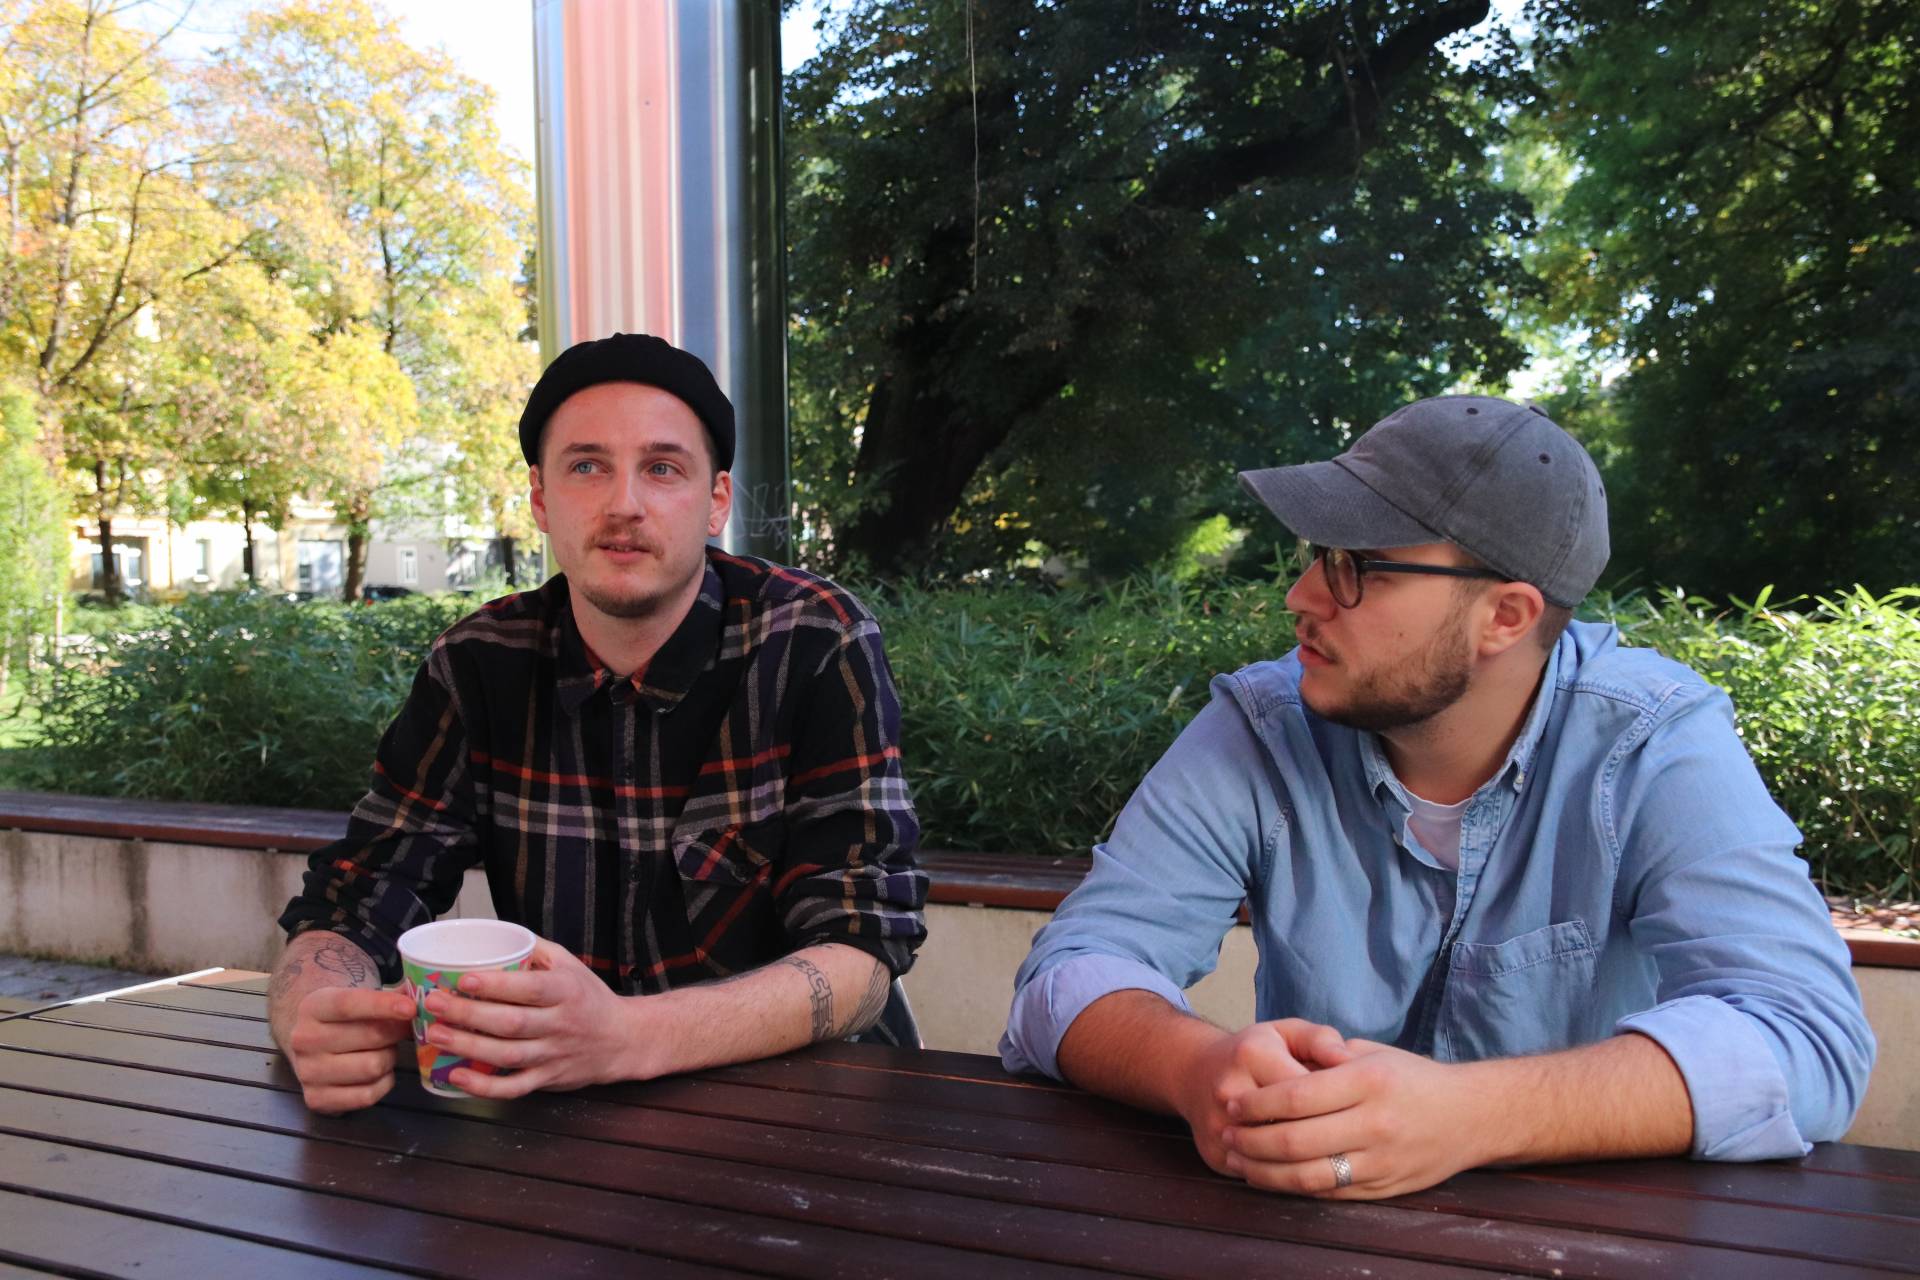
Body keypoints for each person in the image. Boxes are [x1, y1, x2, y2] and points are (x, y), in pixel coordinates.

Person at [1001, 395, 1874, 1199]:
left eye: (1360, 568)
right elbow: (1071, 972)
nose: (1301, 597)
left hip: (1588, 1241)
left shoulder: (1650, 742)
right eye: (1316, 557)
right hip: (1301, 1236)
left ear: (1506, 616)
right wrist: (1199, 1072)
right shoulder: (1264, 725)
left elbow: (1806, 1038)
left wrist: (1468, 1114)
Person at [272, 333, 927, 1114]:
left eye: (662, 468)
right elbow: (356, 899)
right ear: (541, 499)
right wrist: (311, 1014)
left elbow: (863, 951)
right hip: (556, 1114)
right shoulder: (480, 662)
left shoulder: (815, 639)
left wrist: (625, 1036)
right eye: (587, 466)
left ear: (716, 500)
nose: (624, 504)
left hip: (804, 1106)